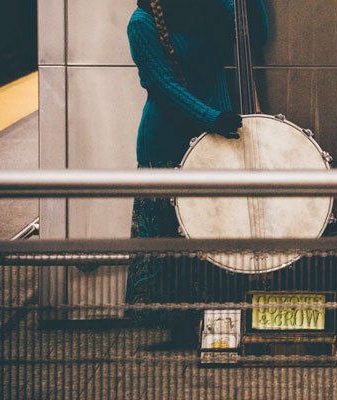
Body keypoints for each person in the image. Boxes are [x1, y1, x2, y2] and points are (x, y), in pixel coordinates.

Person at [124, 0, 268, 346]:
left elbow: (256, 34)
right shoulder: (142, 22)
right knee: (169, 242)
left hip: (216, 137)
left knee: (214, 231)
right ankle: (178, 329)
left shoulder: (211, 8)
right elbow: (163, 87)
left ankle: (217, 325)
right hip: (168, 144)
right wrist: (212, 118)